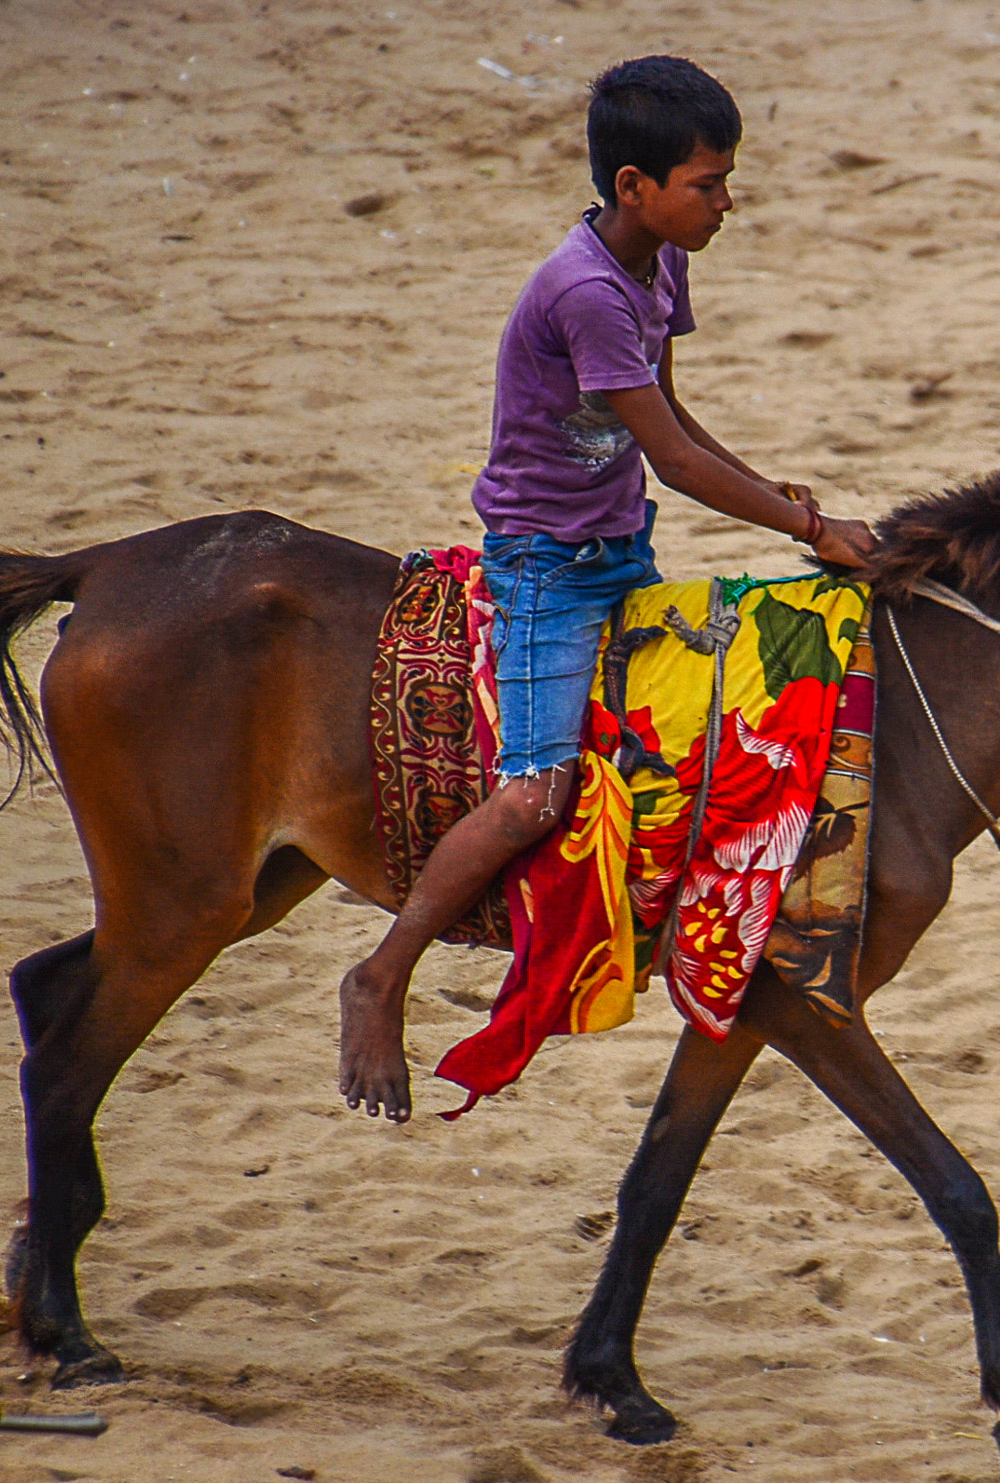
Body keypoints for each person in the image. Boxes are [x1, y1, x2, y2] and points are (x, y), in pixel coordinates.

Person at [338, 55, 877, 1122]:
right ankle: (381, 973)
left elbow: (672, 423)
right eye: (706, 184)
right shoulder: (585, 288)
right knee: (538, 790)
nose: (724, 203)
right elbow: (672, 457)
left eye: (724, 181)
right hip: (545, 564)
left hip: (619, 539)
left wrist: (773, 490)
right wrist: (808, 526)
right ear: (634, 186)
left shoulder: (659, 263)